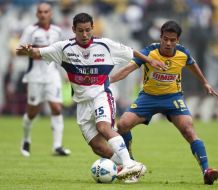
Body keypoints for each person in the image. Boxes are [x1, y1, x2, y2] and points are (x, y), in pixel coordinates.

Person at [16, 12, 166, 180]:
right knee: (98, 147)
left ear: (93, 28)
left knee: (104, 127)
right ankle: (131, 168)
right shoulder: (63, 48)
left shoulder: (106, 45)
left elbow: (131, 52)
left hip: (101, 94)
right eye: (80, 30)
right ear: (73, 29)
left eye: (88, 30)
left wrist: (149, 60)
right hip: (82, 103)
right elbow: (39, 52)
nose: (85, 34)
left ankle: (129, 164)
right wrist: (29, 51)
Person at [110, 20, 218, 185]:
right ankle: (130, 164)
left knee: (189, 129)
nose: (168, 43)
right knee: (123, 124)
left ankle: (206, 170)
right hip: (148, 96)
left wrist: (204, 82)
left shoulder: (183, 53)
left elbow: (192, 64)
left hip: (172, 98)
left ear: (178, 40)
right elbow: (127, 69)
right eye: (165, 39)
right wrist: (108, 80)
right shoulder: (149, 52)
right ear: (160, 37)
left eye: (172, 40)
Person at [17, 2, 70, 157]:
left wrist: (64, 72)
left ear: (51, 14)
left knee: (56, 107)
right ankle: (26, 139)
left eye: (46, 11)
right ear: (36, 14)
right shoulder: (30, 31)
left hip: (52, 74)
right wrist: (28, 51)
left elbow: (61, 53)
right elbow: (18, 52)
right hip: (35, 75)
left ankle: (57, 146)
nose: (43, 14)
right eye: (40, 12)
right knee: (33, 112)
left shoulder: (57, 31)